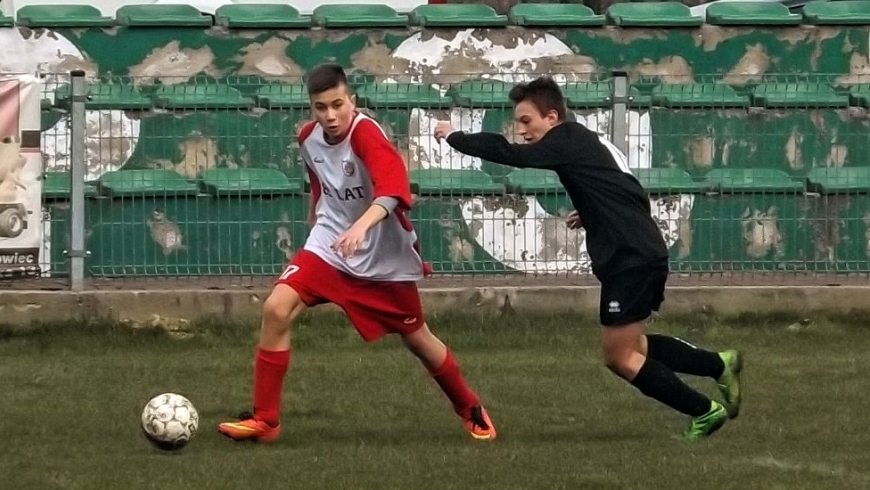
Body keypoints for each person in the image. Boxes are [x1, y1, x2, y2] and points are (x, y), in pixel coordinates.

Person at [433, 76, 742, 441]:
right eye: (517, 122)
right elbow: (627, 187)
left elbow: (510, 154)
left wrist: (454, 136)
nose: (520, 130)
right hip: (639, 252)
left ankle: (704, 411)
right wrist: (593, 210)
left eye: (526, 121)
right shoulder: (588, 142)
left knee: (620, 357)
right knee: (633, 346)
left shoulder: (565, 138)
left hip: (631, 259)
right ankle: (719, 364)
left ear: (551, 117)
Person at [218, 63, 496, 443]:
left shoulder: (367, 135)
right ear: (311, 108)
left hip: (382, 257)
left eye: (337, 104)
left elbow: (393, 190)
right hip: (329, 247)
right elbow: (320, 186)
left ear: (353, 100)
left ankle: (469, 406)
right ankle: (266, 421)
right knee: (275, 308)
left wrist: (360, 227)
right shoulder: (307, 138)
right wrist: (316, 225)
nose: (330, 116)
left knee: (418, 339)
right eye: (320, 107)